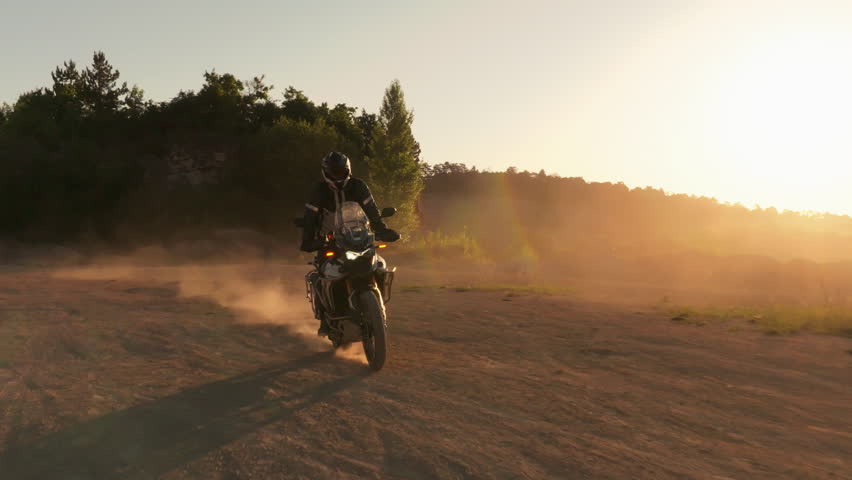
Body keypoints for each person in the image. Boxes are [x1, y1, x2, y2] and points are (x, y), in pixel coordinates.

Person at [299, 151, 400, 336]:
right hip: (328, 240)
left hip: (357, 236)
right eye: (333, 172)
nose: (337, 176)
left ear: (347, 170)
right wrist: (308, 240)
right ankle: (324, 320)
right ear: (326, 172)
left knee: (378, 265)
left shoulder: (358, 186)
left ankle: (375, 308)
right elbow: (310, 217)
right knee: (324, 272)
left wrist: (382, 229)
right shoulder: (318, 190)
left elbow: (371, 210)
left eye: (340, 172)